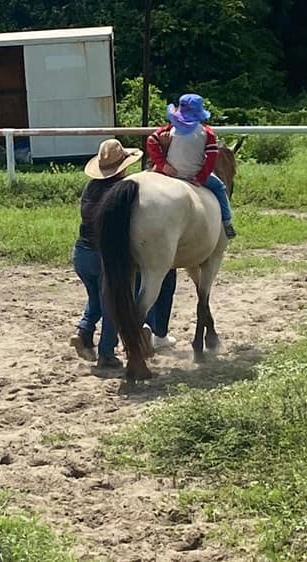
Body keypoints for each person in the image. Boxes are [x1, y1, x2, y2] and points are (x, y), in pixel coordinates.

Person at [70, 138, 143, 369]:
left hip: (81, 252)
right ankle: (106, 353)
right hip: (103, 256)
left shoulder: (91, 188)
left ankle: (84, 332)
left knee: (96, 299)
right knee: (113, 303)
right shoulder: (119, 192)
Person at [146, 93, 237, 239]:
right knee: (220, 188)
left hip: (169, 173)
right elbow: (211, 158)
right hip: (193, 174)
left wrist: (162, 165)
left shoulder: (169, 129)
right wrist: (201, 177)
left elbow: (151, 141)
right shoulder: (207, 133)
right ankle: (227, 222)